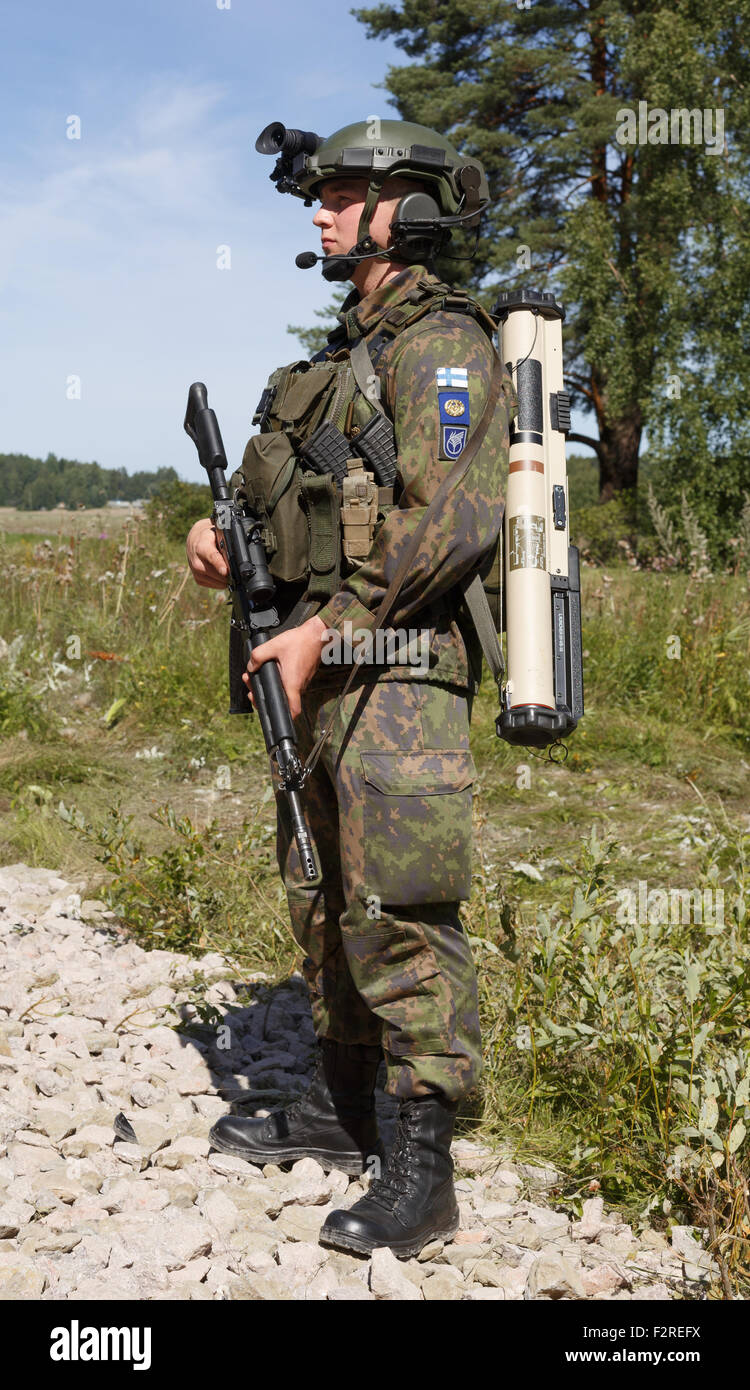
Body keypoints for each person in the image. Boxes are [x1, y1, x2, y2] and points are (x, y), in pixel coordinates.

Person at [185, 119, 514, 1259]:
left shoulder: (443, 345)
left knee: (400, 911)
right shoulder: (336, 362)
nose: (318, 213)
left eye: (340, 195)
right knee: (322, 896)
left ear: (402, 205)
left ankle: (424, 1170)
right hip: (324, 676)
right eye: (317, 195)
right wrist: (227, 545)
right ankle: (341, 1106)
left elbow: (456, 524)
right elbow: (310, 517)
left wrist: (332, 628)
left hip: (400, 672)